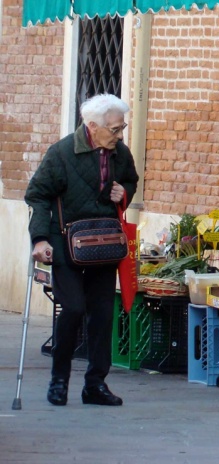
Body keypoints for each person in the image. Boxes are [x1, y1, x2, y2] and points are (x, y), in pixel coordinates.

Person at [26, 94, 139, 407]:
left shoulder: (121, 154)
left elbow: (132, 181)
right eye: (115, 129)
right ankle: (59, 380)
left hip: (105, 245)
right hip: (65, 245)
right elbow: (37, 195)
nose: (120, 135)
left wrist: (123, 192)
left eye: (122, 128)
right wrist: (39, 239)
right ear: (93, 126)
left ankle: (95, 384)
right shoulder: (62, 153)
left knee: (102, 314)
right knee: (73, 308)